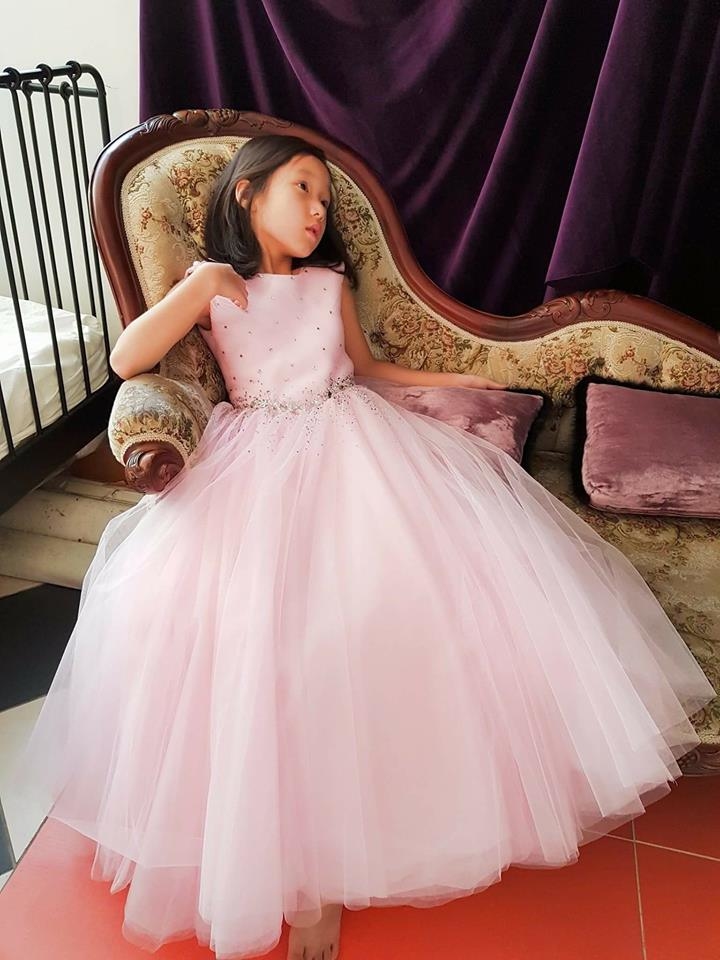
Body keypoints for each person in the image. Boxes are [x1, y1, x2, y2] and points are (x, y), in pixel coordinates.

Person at [8, 134, 717, 960]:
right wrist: (199, 284)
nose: (317, 210)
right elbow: (129, 358)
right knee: (258, 644)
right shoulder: (216, 285)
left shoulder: (327, 284)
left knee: (378, 624)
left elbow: (370, 368)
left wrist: (455, 384)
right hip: (253, 461)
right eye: (301, 189)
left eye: (325, 199)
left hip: (354, 440)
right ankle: (288, 865)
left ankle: (331, 873)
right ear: (246, 193)